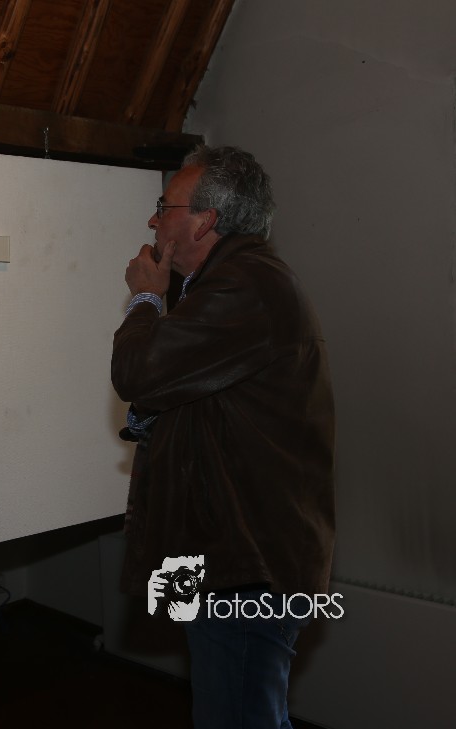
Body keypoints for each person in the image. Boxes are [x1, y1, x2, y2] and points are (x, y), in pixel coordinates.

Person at [111, 145, 336, 728]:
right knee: (247, 711)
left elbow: (137, 372)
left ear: (204, 220)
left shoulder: (244, 287)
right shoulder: (233, 283)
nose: (153, 220)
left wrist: (145, 297)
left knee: (236, 717)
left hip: (246, 564)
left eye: (165, 206)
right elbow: (186, 398)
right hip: (237, 553)